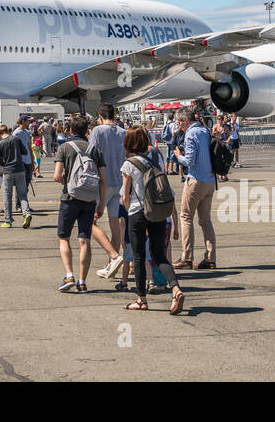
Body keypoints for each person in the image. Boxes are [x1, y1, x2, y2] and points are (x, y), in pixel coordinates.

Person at [118, 127, 184, 314]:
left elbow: (125, 196)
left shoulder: (128, 164)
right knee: (159, 254)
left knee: (139, 256)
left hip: (138, 213)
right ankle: (175, 288)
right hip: (157, 210)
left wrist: (128, 206)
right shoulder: (154, 162)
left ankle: (141, 299)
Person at [54, 116, 106, 292]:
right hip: (90, 199)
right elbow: (103, 180)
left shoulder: (64, 148)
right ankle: (82, 281)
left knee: (64, 237)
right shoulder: (95, 150)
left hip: (70, 198)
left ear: (70, 130)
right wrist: (101, 204)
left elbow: (57, 175)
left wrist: (67, 182)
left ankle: (69, 275)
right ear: (87, 131)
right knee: (85, 240)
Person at [173, 110, 216, 269]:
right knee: (205, 221)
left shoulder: (190, 134)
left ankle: (187, 257)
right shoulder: (204, 130)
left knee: (186, 217)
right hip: (210, 180)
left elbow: (189, 161)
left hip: (196, 180)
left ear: (185, 120)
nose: (179, 125)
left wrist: (178, 155)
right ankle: (211, 257)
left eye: (179, 122)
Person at [88, 104, 128, 278]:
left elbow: (90, 154)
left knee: (89, 221)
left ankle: (113, 255)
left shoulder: (97, 131)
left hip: (102, 182)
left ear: (100, 116)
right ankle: (111, 262)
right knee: (116, 226)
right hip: (119, 181)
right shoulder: (123, 132)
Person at [0, 123, 32, 229]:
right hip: (20, 169)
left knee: (7, 195)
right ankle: (26, 213)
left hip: (8, 171)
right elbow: (25, 151)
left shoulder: (0, 144)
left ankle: (8, 220)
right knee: (22, 194)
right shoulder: (16, 139)